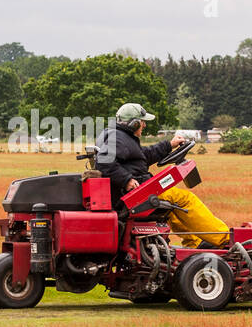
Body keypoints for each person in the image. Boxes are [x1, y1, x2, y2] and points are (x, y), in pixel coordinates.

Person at [95, 102, 229, 248]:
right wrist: (126, 180)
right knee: (185, 199)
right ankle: (224, 239)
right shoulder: (119, 139)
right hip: (136, 195)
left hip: (136, 192)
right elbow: (103, 161)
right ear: (133, 123)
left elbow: (143, 155)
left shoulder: (120, 136)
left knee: (171, 207)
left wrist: (169, 145)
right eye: (142, 122)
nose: (144, 125)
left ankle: (195, 244)